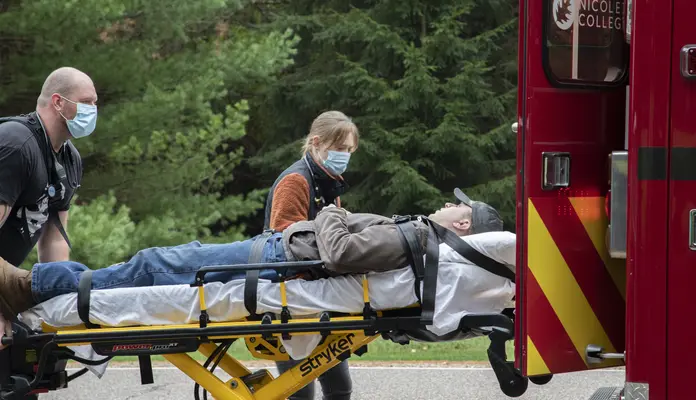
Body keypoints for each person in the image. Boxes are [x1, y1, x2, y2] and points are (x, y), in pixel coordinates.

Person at [0, 190, 504, 345]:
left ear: (462, 225)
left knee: (152, 265)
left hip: (267, 264)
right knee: (150, 267)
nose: (445, 204)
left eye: (455, 207)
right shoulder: (419, 242)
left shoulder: (415, 234)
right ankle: (40, 287)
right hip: (272, 260)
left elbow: (341, 253)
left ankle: (29, 286)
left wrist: (331, 212)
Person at [262, 110, 358, 400]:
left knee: (340, 389)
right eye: (339, 149)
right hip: (291, 297)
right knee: (300, 393)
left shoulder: (328, 182)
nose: (345, 155)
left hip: (319, 294)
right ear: (317, 143)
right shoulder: (296, 181)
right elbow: (284, 241)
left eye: (349, 150)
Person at [0, 67, 97, 267]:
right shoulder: (17, 145)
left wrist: (59, 288)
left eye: (95, 103)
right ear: (58, 102)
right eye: (86, 102)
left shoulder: (70, 158)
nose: (93, 109)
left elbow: (55, 239)